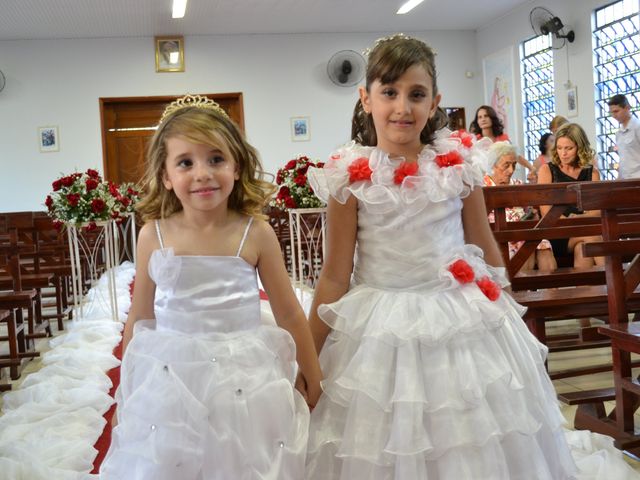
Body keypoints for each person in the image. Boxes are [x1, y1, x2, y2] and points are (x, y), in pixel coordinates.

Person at [303, 34, 639, 479]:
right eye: (389, 92)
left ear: (434, 101)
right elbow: (333, 277)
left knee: (469, 434)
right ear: (366, 98)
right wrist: (307, 359)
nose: (402, 107)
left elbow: (483, 247)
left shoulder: (458, 168)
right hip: (378, 324)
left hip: (457, 314)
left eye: (416, 94)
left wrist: (505, 315)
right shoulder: (349, 180)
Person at [99, 94, 322, 479]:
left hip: (244, 373)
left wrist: (312, 369)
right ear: (166, 176)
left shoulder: (256, 232)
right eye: (186, 162)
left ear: (236, 166)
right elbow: (141, 313)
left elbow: (287, 311)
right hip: (172, 373)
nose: (202, 173)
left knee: (244, 458)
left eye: (215, 159)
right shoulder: (153, 234)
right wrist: (129, 388)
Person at [537, 123, 605, 269]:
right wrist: (577, 220)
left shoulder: (591, 172)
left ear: (580, 147)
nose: (563, 153)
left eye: (569, 148)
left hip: (584, 230)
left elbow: (597, 211)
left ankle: (585, 292)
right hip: (557, 233)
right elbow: (546, 213)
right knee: (593, 239)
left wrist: (577, 219)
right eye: (560, 148)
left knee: (582, 249)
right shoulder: (547, 170)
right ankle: (619, 282)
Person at [485, 141, 556, 271]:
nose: (511, 170)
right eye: (506, 165)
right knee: (525, 247)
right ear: (493, 165)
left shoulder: (517, 184)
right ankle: (523, 290)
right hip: (500, 238)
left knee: (543, 245)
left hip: (525, 233)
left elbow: (531, 212)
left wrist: (532, 214)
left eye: (514, 165)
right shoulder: (483, 186)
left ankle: (553, 290)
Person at [469, 104, 534, 177]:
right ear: (477, 121)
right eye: (480, 117)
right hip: (481, 177)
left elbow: (516, 156)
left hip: (501, 177)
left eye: (486, 116)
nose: (483, 119)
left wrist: (531, 167)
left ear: (492, 118)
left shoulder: (503, 138)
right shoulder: (475, 140)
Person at [608, 94, 640, 179]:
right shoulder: (618, 134)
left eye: (616, 111)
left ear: (627, 108)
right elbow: (623, 160)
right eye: (611, 112)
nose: (613, 116)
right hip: (626, 181)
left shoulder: (638, 127)